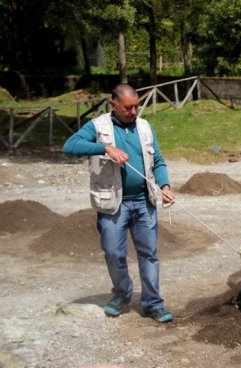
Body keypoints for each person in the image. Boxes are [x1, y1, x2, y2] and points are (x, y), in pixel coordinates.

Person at [63, 83, 175, 323]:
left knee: (150, 255)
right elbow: (69, 146)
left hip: (144, 202)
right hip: (113, 203)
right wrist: (105, 148)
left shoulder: (145, 127)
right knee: (114, 252)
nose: (133, 112)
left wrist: (164, 186)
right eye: (128, 108)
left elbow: (158, 160)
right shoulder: (98, 126)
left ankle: (152, 303)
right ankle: (122, 294)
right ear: (113, 104)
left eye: (136, 106)